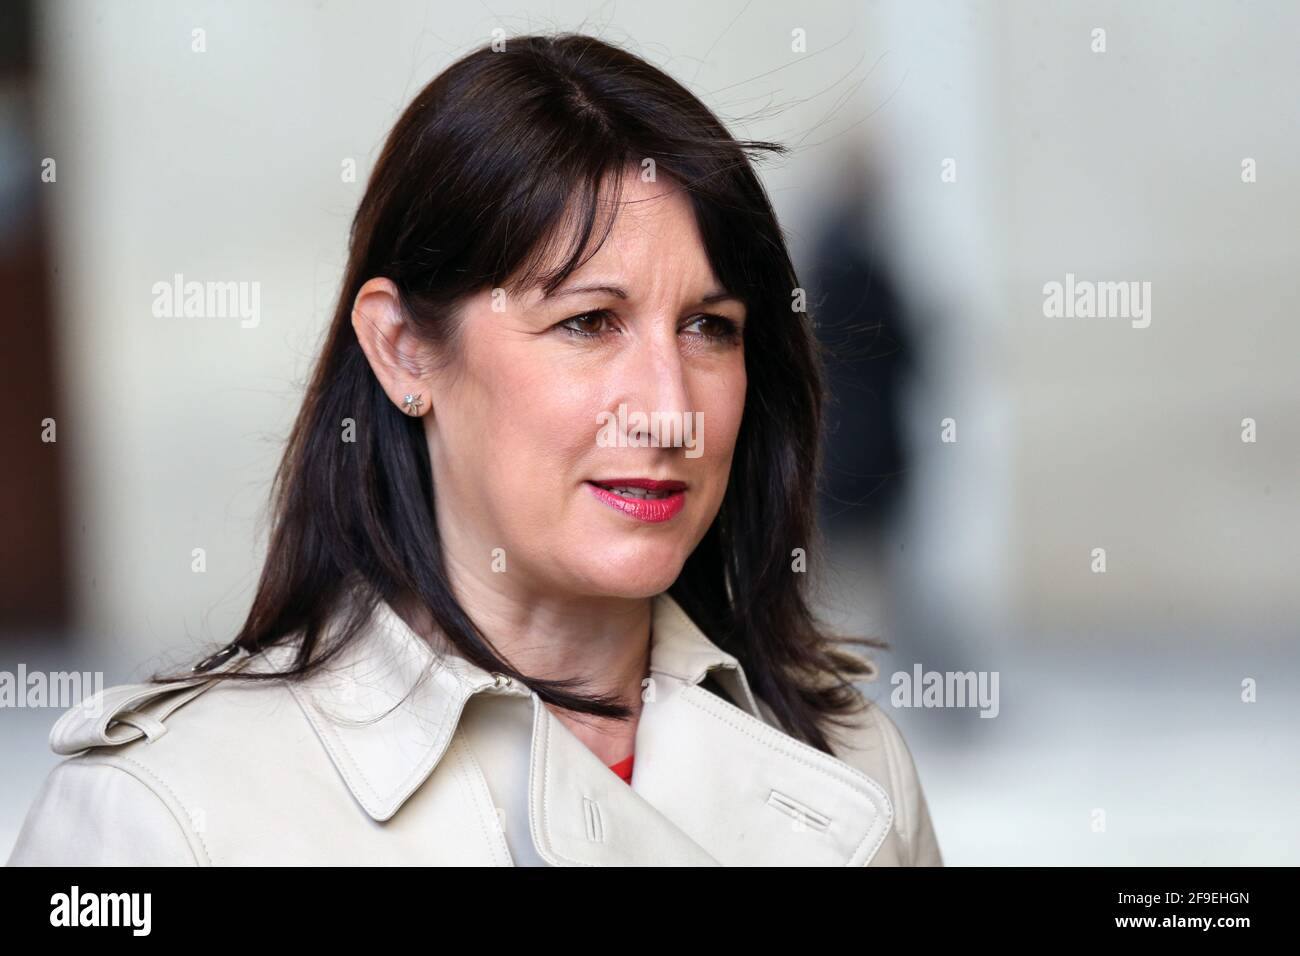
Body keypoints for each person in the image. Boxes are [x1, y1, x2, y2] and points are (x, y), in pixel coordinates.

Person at [7, 32, 942, 866]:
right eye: (588, 322)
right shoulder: (164, 817)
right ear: (404, 350)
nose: (669, 412)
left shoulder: (850, 765)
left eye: (709, 327)